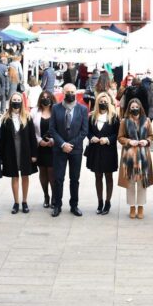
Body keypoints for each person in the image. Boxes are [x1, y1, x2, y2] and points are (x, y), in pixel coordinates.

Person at [49, 83, 88, 217]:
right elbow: (52, 129)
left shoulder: (82, 109)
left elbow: (84, 131)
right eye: (68, 92)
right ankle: (57, 205)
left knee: (74, 179)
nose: (70, 94)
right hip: (59, 149)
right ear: (63, 93)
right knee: (58, 178)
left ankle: (74, 205)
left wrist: (69, 144)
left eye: (72, 92)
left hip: (75, 149)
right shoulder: (55, 108)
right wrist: (62, 144)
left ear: (76, 93)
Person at [0, 92, 38, 214]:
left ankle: (24, 202)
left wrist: (34, 154)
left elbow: (32, 137)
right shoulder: (5, 119)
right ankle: (16, 202)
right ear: (10, 102)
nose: (16, 102)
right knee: (14, 176)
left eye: (18, 100)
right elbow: (2, 140)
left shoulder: (27, 117)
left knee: (25, 176)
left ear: (22, 102)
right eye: (14, 100)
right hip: (11, 151)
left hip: (25, 151)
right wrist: (1, 157)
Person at [118, 98, 153, 219]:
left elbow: (151, 136)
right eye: (132, 107)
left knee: (142, 182)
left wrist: (146, 141)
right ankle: (132, 206)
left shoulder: (147, 120)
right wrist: (129, 141)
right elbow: (120, 137)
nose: (134, 109)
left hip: (143, 155)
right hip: (129, 156)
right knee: (131, 182)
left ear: (140, 107)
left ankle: (141, 207)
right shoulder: (124, 121)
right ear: (129, 108)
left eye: (136, 107)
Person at [85, 92, 119, 215]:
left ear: (109, 103)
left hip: (108, 151)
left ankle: (107, 202)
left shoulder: (114, 117)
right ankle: (99, 202)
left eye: (105, 101)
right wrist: (91, 137)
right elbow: (87, 131)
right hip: (95, 150)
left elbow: (118, 135)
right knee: (97, 176)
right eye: (101, 101)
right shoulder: (92, 117)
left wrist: (108, 139)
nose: (103, 103)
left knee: (108, 177)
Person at [32, 90, 56, 209]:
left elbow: (61, 129)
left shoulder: (56, 111)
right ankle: (46, 196)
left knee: (52, 172)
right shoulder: (34, 112)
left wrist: (53, 141)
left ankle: (54, 197)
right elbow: (31, 131)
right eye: (43, 97)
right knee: (43, 172)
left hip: (53, 147)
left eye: (48, 97)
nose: (45, 99)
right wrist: (39, 141)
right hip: (40, 147)